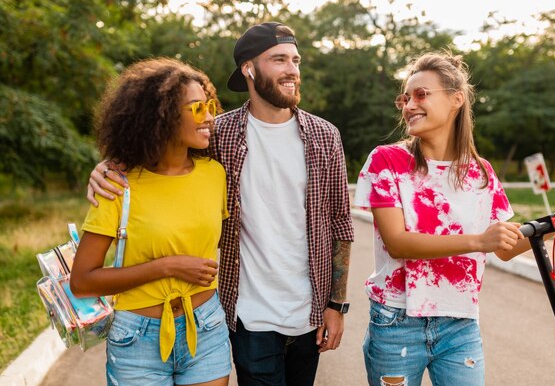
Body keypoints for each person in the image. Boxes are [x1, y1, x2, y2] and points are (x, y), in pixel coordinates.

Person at [87, 22, 355, 386]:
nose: (292, 69)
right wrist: (108, 165)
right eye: (279, 59)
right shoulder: (219, 134)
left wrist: (336, 306)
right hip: (248, 314)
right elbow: (159, 142)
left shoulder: (325, 136)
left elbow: (341, 222)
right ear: (249, 68)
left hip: (309, 312)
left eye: (296, 60)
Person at [353, 51, 555, 386]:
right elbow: (398, 243)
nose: (409, 105)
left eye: (421, 94)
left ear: (457, 99)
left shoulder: (481, 172)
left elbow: (503, 248)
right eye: (405, 97)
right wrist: (478, 241)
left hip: (460, 324)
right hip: (397, 320)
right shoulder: (388, 161)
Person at [72, 58, 231, 386]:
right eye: (197, 107)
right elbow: (83, 281)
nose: (210, 117)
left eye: (210, 105)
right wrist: (168, 266)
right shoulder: (117, 184)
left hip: (207, 328)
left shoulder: (215, 175)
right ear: (160, 114)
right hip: (137, 339)